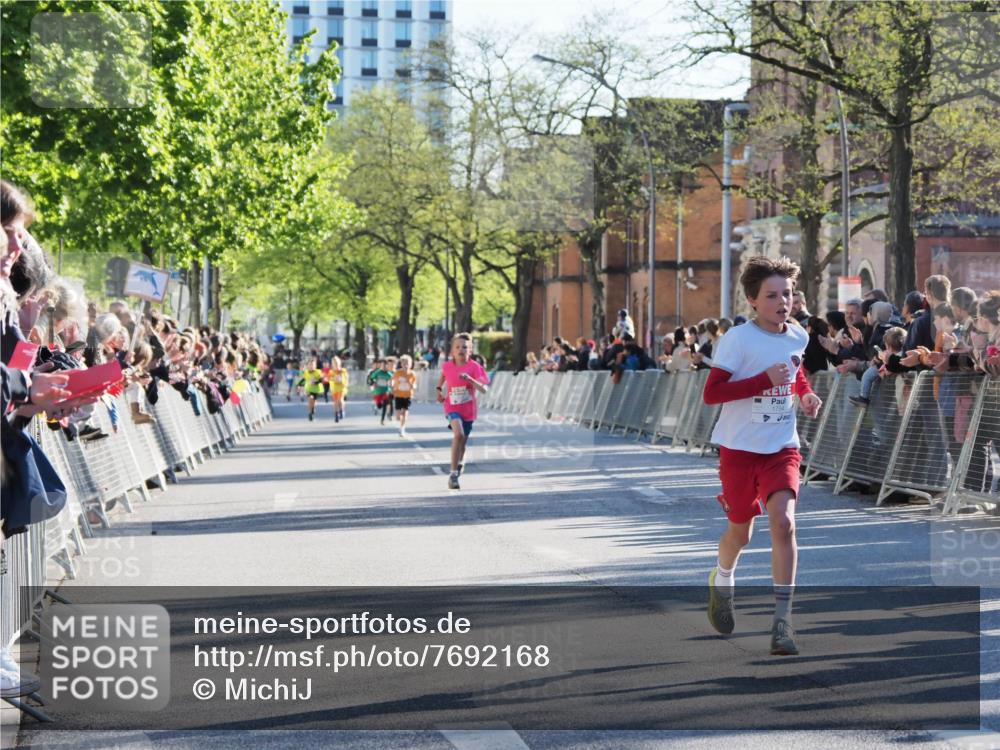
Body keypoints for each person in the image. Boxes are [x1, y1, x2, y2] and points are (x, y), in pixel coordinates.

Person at [701, 256, 823, 656]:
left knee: (783, 523)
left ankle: (783, 622)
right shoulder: (737, 339)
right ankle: (723, 579)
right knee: (741, 531)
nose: (782, 301)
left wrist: (803, 394)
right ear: (753, 300)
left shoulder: (798, 336)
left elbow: (794, 371)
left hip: (781, 447)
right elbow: (712, 393)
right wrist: (760, 382)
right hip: (738, 450)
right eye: (772, 295)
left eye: (787, 293)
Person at [436, 333, 488, 490]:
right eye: (457, 347)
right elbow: (443, 377)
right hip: (452, 407)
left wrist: (470, 380)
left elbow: (484, 389)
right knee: (457, 435)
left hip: (468, 410)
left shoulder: (475, 367)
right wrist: (439, 390)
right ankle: (452, 474)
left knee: (463, 442)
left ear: (470, 350)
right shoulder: (447, 366)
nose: (461, 350)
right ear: (452, 350)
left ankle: (460, 462)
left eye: (465, 347)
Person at [848, 327, 906, 408]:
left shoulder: (891, 355)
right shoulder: (904, 354)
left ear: (888, 346)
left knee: (867, 375)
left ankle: (863, 397)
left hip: (893, 391)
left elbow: (888, 364)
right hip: (896, 392)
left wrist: (878, 361)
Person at [390, 355, 416, 437]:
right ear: (401, 364)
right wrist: (392, 387)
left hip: (408, 395)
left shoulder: (412, 374)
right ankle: (400, 423)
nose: (406, 365)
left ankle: (402, 428)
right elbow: (392, 381)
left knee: (405, 413)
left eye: (408, 363)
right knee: (398, 416)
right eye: (404, 363)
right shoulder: (398, 373)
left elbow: (415, 385)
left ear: (411, 364)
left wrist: (412, 384)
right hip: (398, 395)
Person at [369, 358, 393, 425]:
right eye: (382, 365)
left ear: (387, 366)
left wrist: (392, 388)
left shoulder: (389, 374)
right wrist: (373, 382)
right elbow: (372, 378)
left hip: (386, 391)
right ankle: (377, 406)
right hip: (378, 391)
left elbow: (392, 382)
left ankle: (382, 420)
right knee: (379, 406)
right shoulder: (377, 372)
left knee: (385, 404)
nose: (384, 367)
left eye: (385, 365)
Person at [328, 355, 348, 423]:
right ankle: (336, 414)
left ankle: (342, 410)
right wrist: (334, 379)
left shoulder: (343, 370)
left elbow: (346, 378)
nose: (335, 364)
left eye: (336, 362)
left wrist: (341, 379)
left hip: (342, 387)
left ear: (339, 363)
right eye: (334, 363)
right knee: (336, 401)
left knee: (340, 399)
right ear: (332, 364)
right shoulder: (331, 372)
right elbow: (329, 379)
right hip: (334, 388)